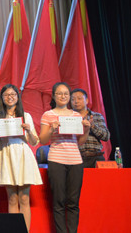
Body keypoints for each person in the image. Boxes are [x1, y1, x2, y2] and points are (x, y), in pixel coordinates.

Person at [39, 82, 91, 233]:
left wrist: (87, 129)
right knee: (59, 201)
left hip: (75, 160)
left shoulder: (76, 116)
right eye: (59, 93)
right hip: (56, 160)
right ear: (54, 96)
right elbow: (42, 140)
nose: (63, 96)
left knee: (73, 202)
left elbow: (80, 142)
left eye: (66, 94)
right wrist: (52, 129)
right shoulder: (48, 115)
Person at [0, 84, 42, 232]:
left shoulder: (26, 116)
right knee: (12, 198)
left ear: (17, 97)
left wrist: (29, 131)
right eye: (6, 95)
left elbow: (34, 142)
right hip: (6, 154)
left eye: (13, 94)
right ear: (2, 98)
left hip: (23, 155)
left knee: (24, 198)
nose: (10, 97)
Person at [70, 88, 110, 168]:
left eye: (79, 98)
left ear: (87, 100)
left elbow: (106, 137)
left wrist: (92, 126)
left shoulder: (96, 116)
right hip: (75, 158)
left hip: (96, 157)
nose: (76, 101)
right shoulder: (68, 117)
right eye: (73, 99)